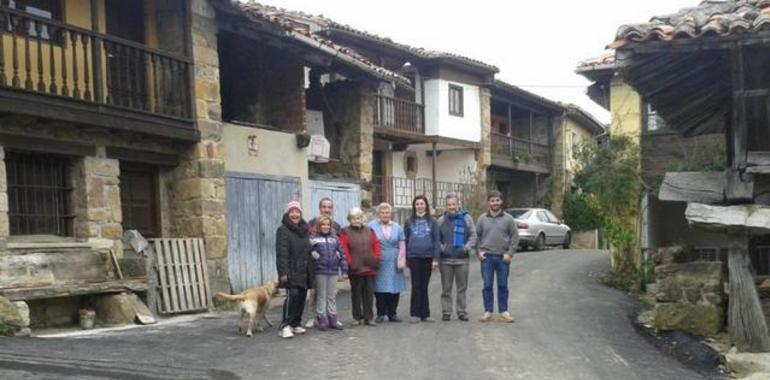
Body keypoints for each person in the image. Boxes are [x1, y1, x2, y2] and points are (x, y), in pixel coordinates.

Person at [475, 190, 518, 323]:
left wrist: (510, 253)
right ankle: (488, 311)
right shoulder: (482, 219)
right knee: (487, 285)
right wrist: (478, 252)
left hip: (502, 258)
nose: (495, 203)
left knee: (502, 285)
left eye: (497, 200)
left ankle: (504, 312)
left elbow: (515, 237)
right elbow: (476, 237)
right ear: (489, 202)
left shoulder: (509, 219)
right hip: (486, 257)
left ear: (501, 201)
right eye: (492, 200)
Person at [275, 201, 314, 339]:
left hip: (303, 271)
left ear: (300, 214)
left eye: (297, 211)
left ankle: (296, 323)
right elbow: (282, 253)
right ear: (288, 213)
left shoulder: (304, 230)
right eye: (292, 211)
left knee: (302, 297)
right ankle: (285, 326)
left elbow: (308, 250)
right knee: (293, 296)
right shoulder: (283, 230)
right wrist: (283, 272)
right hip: (290, 271)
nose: (295, 214)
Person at [437, 194, 477, 322]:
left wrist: (466, 248)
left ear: (458, 205)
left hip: (462, 260)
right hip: (446, 260)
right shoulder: (441, 220)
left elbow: (473, 236)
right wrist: (443, 249)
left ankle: (461, 311)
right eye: (449, 205)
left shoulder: (467, 218)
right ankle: (446, 311)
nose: (452, 207)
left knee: (462, 288)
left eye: (454, 204)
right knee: (446, 289)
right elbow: (436, 239)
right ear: (446, 206)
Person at [340, 207, 381, 326]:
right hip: (355, 268)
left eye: (358, 218)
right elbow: (344, 248)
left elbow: (376, 245)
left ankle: (369, 317)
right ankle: (357, 317)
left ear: (362, 218)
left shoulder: (370, 230)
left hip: (369, 267)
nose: (356, 220)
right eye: (353, 218)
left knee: (369, 294)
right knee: (356, 294)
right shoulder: (345, 231)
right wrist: (349, 262)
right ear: (349, 219)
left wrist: (376, 258)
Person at [306, 197, 343, 329]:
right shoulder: (311, 223)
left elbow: (340, 244)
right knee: (316, 293)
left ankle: (330, 317)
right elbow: (308, 244)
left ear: (332, 209)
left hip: (331, 267)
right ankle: (314, 317)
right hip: (317, 266)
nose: (326, 210)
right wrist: (314, 257)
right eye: (324, 207)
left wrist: (338, 257)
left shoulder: (337, 226)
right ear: (319, 208)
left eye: (329, 207)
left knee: (330, 294)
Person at [368, 202, 407, 323]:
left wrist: (401, 261)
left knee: (395, 287)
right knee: (379, 288)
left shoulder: (397, 227)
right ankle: (380, 313)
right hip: (379, 260)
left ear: (391, 214)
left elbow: (402, 245)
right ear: (378, 214)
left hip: (394, 259)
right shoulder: (371, 226)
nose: (385, 215)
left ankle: (392, 313)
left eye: (387, 212)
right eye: (382, 212)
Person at [404, 195, 440, 323]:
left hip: (428, 257)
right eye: (417, 204)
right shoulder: (409, 221)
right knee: (415, 285)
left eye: (422, 203)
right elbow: (405, 240)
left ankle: (425, 314)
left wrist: (436, 259)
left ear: (426, 205)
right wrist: (406, 257)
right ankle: (415, 314)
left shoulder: (433, 221)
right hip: (414, 257)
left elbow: (436, 241)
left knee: (424, 285)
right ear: (414, 206)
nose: (419, 206)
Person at [309, 216, 347, 331]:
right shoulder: (313, 238)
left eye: (328, 224)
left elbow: (342, 253)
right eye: (323, 224)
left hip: (333, 270)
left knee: (331, 296)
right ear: (318, 226)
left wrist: (344, 268)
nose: (326, 226)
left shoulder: (335, 238)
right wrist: (315, 256)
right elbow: (308, 252)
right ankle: (321, 318)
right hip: (320, 271)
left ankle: (333, 318)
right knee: (321, 295)